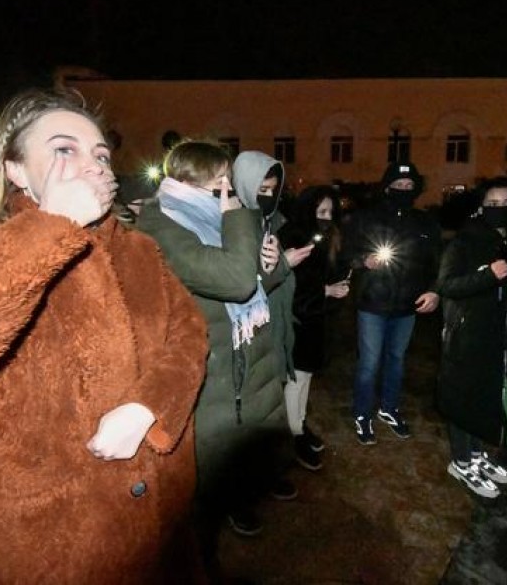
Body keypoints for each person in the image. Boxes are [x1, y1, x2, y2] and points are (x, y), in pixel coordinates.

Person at [0, 89, 209, 584]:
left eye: (99, 153)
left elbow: (189, 337)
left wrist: (147, 409)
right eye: (63, 149)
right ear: (15, 170)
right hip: (47, 540)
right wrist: (52, 227)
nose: (93, 164)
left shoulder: (138, 252)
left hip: (158, 530)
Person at [137, 142, 292, 552]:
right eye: (221, 182)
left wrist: (274, 264)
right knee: (194, 515)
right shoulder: (162, 228)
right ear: (188, 183)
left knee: (234, 477)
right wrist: (238, 222)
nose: (231, 191)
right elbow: (237, 282)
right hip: (209, 381)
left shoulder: (211, 216)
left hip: (242, 374)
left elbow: (257, 282)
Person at [436, 178, 507, 499]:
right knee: (463, 400)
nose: (501, 210)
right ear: (482, 207)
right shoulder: (464, 243)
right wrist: (486, 277)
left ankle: (474, 454)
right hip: (469, 337)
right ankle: (460, 461)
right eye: (494, 204)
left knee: (487, 399)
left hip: (506, 341)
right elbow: (448, 285)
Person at [343, 161, 441, 444]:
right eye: (398, 185)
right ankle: (362, 413)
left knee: (397, 360)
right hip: (373, 304)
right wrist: (363, 261)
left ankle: (389, 408)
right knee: (370, 362)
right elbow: (346, 254)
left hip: (407, 307)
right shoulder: (366, 219)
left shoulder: (426, 223)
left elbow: (437, 262)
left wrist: (435, 290)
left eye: (409, 186)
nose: (403, 190)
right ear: (387, 187)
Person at [231, 151, 313, 478]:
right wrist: (282, 265)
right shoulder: (232, 225)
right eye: (260, 189)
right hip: (247, 336)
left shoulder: (276, 223)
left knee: (273, 402)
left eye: (273, 189)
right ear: (244, 185)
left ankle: (268, 468)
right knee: (248, 411)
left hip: (277, 328)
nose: (267, 196)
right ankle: (244, 480)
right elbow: (240, 284)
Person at [277, 185, 350, 470]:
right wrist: (325, 291)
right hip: (297, 321)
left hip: (315, 320)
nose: (327, 217)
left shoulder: (326, 237)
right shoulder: (295, 236)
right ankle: (293, 433)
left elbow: (326, 272)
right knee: (296, 378)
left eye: (331, 212)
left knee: (305, 376)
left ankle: (299, 423)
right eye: (321, 211)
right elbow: (290, 286)